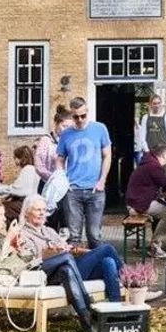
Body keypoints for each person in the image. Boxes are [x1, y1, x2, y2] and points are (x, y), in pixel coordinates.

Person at [0, 198, 99, 332]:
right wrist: (8, 240)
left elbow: (27, 256)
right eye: (0, 215)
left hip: (31, 267)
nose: (4, 219)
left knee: (66, 270)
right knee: (66, 257)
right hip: (24, 273)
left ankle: (86, 322)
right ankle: (90, 308)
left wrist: (18, 248)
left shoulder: (0, 235)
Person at [10, 195, 126, 305]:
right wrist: (55, 250)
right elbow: (32, 259)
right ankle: (130, 280)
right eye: (38, 210)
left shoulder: (49, 231)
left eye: (44, 210)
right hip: (56, 274)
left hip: (73, 266)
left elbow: (69, 251)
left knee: (108, 262)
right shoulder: (23, 234)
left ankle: (115, 307)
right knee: (107, 249)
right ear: (27, 212)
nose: (42, 213)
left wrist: (69, 249)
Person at [57, 96, 113, 247]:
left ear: (87, 112)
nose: (80, 119)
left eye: (83, 115)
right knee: (74, 237)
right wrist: (63, 181)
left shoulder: (100, 129)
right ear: (71, 115)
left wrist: (102, 180)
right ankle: (75, 269)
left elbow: (107, 155)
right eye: (76, 117)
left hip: (95, 189)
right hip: (72, 190)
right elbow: (60, 158)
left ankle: (95, 268)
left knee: (94, 235)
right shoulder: (66, 134)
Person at [125, 140, 166, 258]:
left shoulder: (148, 162)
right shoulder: (154, 166)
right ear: (163, 155)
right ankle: (155, 246)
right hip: (139, 205)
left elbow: (161, 182)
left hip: (137, 201)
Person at [133, 93, 166, 159]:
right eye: (154, 103)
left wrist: (165, 147)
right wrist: (147, 150)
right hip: (149, 151)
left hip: (162, 152)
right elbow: (142, 137)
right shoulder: (145, 117)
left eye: (158, 103)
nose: (157, 105)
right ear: (150, 104)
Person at [33, 104, 69, 183]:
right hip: (48, 183)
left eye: (69, 128)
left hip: (66, 185)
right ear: (56, 123)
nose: (67, 130)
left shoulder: (69, 143)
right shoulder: (46, 141)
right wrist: (53, 178)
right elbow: (39, 166)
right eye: (64, 126)